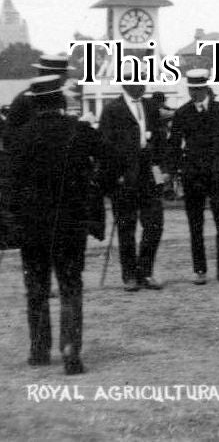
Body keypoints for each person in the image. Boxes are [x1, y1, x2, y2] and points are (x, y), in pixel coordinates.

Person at [12, 75, 104, 374]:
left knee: (36, 288)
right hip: (70, 223)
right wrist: (91, 187)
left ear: (35, 103)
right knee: (70, 286)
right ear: (60, 101)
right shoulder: (78, 131)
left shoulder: (21, 136)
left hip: (33, 225)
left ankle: (39, 349)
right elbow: (112, 160)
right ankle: (70, 351)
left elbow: (10, 183)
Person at [167, 69, 219, 284]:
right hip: (194, 177)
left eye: (198, 89)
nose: (194, 94)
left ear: (206, 89)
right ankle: (200, 270)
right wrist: (179, 169)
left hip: (218, 176)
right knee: (196, 224)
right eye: (191, 89)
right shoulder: (182, 113)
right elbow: (174, 145)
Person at [97, 75, 166, 291]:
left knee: (155, 223)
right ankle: (129, 275)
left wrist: (162, 167)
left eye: (145, 79)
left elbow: (160, 138)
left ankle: (145, 271)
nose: (143, 84)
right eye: (139, 81)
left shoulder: (151, 106)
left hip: (148, 173)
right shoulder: (112, 110)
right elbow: (105, 147)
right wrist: (113, 176)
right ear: (126, 84)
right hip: (124, 176)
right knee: (127, 227)